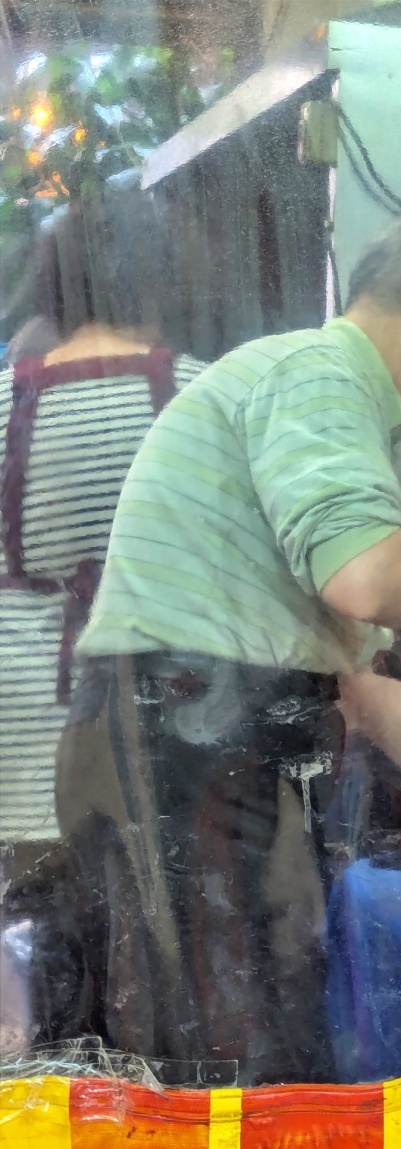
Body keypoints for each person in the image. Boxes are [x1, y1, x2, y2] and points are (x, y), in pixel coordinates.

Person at [56, 200, 401, 1085]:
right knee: (232, 1061)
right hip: (178, 743)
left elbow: (361, 673)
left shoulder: (323, 400)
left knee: (234, 1041)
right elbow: (366, 575)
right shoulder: (320, 375)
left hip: (186, 746)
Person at [0, 188, 207, 1045]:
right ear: (158, 280)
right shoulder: (200, 398)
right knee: (163, 988)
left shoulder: (5, 407)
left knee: (41, 983)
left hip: (22, 753)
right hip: (154, 757)